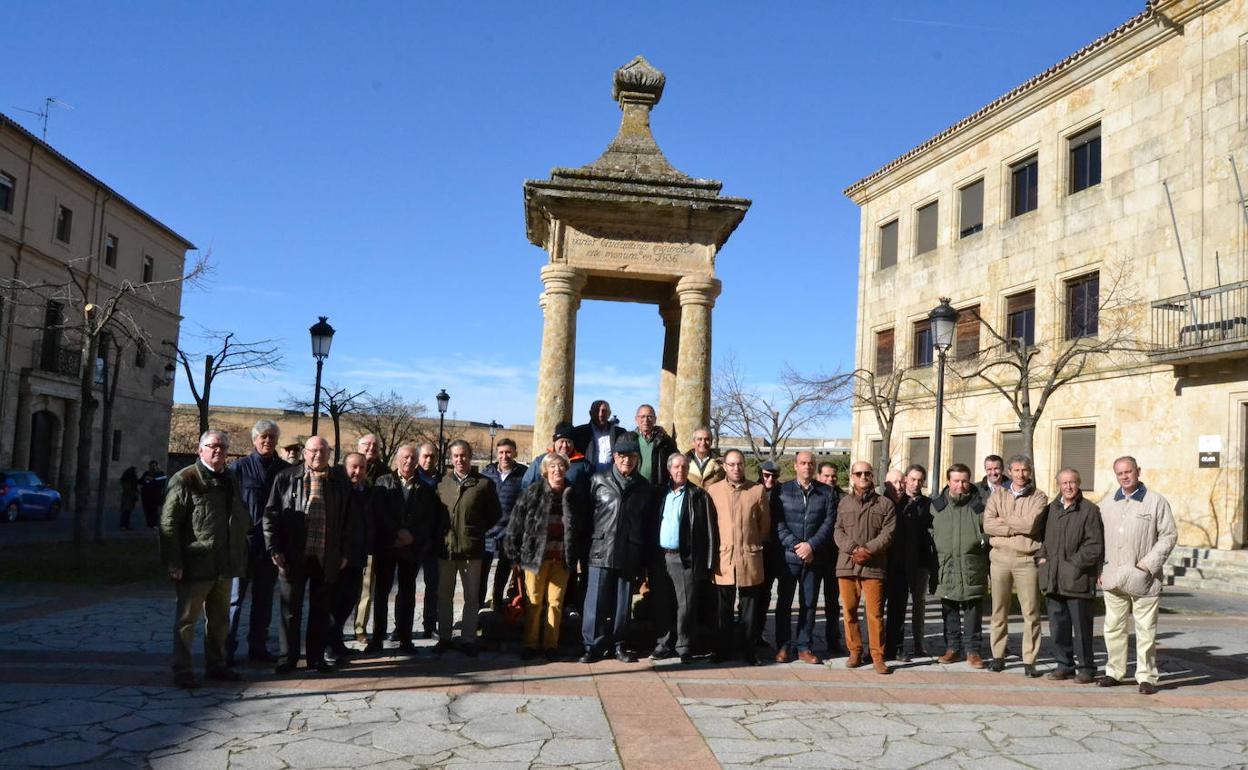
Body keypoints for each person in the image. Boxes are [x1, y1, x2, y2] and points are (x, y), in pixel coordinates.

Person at [159, 430, 249, 688]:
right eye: (212, 446)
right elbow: (169, 523)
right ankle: (183, 671)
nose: (218, 450)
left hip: (224, 564)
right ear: (201, 450)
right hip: (195, 563)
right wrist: (173, 562)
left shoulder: (231, 478)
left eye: (222, 446)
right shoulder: (185, 478)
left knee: (220, 621)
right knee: (186, 621)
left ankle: (217, 665)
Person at [265, 436, 349, 675]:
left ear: (329, 454)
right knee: (290, 609)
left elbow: (349, 519)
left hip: (326, 554)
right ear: (305, 453)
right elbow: (271, 515)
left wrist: (344, 551)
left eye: (323, 451)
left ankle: (316, 658)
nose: (317, 456)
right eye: (313, 451)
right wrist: (275, 548)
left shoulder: (339, 480)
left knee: (321, 610)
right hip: (294, 554)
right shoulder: (286, 478)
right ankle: (287, 658)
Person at [1098, 456, 1177, 695]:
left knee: (1145, 631)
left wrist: (1148, 565)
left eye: (1128, 471)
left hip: (1144, 579)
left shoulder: (1155, 502)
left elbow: (1169, 536)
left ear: (1138, 471)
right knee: (1113, 628)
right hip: (1113, 578)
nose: (1125, 476)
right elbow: (1097, 538)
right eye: (1120, 473)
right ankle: (1114, 671)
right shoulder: (1107, 502)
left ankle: (1146, 676)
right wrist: (1100, 569)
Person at [581, 433, 652, 663]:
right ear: (615, 457)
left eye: (632, 457)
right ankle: (592, 646)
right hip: (601, 549)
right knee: (595, 602)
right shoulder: (598, 479)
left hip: (629, 550)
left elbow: (646, 522)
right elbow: (586, 516)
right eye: (622, 456)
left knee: (622, 605)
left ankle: (619, 645)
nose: (627, 461)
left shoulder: (643, 486)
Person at [226, 420, 291, 666]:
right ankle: (227, 647)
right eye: (263, 437)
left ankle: (258, 645)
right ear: (254, 440)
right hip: (244, 544)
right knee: (234, 599)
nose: (267, 441)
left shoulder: (285, 470)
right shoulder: (239, 468)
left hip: (271, 546)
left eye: (272, 437)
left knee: (263, 600)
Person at [506, 452, 580, 661]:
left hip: (561, 558)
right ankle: (530, 644)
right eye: (553, 467)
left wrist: (576, 555)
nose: (558, 470)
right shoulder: (533, 491)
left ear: (566, 469)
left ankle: (551, 645)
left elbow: (580, 527)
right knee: (534, 602)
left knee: (556, 603)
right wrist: (514, 555)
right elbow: (516, 524)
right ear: (546, 470)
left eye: (561, 466)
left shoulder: (572, 494)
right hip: (534, 558)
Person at [433, 440, 501, 656]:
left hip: (472, 549)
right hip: (446, 549)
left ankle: (468, 638)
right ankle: (444, 637)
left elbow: (494, 514)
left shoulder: (483, 484)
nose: (459, 460)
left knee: (472, 597)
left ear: (470, 457)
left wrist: (475, 531)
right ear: (450, 459)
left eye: (463, 456)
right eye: (455, 456)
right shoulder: (442, 484)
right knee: (444, 595)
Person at [983, 454, 1048, 677]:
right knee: (998, 610)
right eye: (1017, 470)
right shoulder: (998, 494)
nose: (1021, 475)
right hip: (999, 558)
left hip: (1025, 559)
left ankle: (1030, 660)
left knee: (1031, 611)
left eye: (1025, 470)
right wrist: (1013, 526)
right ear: (1009, 472)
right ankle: (998, 656)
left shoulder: (1039, 497)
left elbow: (1030, 525)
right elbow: (988, 524)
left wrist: (1004, 521)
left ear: (1030, 472)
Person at [772, 452, 838, 665]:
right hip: (789, 557)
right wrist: (796, 545)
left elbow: (829, 523)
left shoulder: (826, 492)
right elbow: (778, 524)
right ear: (795, 466)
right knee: (784, 603)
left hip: (813, 557)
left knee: (809, 603)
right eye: (803, 463)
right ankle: (783, 645)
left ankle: (804, 646)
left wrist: (811, 545)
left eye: (811, 463)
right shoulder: (781, 491)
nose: (807, 467)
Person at [1039, 468, 1103, 685]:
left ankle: (1086, 668)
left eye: (1072, 482)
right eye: (1064, 483)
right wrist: (1042, 560)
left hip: (1077, 579)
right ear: (1058, 485)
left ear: (1079, 483)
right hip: (1053, 579)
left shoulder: (1090, 510)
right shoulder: (1051, 510)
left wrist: (1074, 565)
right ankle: (1064, 665)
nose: (1068, 487)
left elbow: (1094, 545)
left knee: (1082, 629)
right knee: (1058, 627)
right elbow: (1041, 539)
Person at [647, 453, 713, 664]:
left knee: (686, 604)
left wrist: (706, 561)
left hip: (685, 557)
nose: (680, 471)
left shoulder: (698, 495)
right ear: (669, 469)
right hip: (660, 557)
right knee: (662, 602)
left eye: (684, 467)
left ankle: (684, 645)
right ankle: (663, 643)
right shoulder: (659, 493)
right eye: (676, 467)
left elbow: (709, 531)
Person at [524, 422, 595, 618]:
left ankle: (569, 603)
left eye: (569, 442)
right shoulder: (540, 461)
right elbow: (526, 487)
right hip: (543, 527)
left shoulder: (584, 465)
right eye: (561, 441)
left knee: (568, 566)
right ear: (555, 442)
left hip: (573, 526)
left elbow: (592, 494)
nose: (565, 446)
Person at [706, 449, 770, 665]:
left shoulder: (757, 490)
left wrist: (750, 542)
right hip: (723, 559)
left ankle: (749, 650)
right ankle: (721, 650)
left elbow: (764, 526)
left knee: (750, 609)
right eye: (731, 464)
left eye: (740, 464)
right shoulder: (713, 491)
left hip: (749, 557)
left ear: (745, 465)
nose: (736, 468)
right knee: (722, 609)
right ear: (724, 466)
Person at [370, 445, 435, 655]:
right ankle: (377, 637)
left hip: (411, 549)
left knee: (407, 594)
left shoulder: (425, 488)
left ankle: (405, 637)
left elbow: (427, 519)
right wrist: (396, 534)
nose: (409, 461)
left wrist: (412, 536)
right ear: (397, 459)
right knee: (381, 593)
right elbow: (379, 513)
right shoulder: (383, 483)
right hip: (387, 546)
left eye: (413, 458)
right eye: (405, 457)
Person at [834, 460, 895, 675]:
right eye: (858, 473)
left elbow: (888, 534)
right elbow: (838, 531)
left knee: (875, 613)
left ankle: (878, 656)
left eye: (867, 473)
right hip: (847, 566)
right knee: (849, 611)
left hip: (874, 566)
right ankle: (855, 652)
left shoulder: (885, 504)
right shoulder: (844, 503)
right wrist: (853, 549)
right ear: (852, 476)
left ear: (873, 476)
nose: (862, 477)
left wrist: (867, 550)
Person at [931, 463, 988, 668]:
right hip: (946, 566)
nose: (960, 485)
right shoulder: (937, 505)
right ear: (949, 482)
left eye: (964, 480)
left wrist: (981, 540)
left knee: (973, 610)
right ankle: (952, 648)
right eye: (956, 481)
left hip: (973, 566)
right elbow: (930, 531)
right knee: (950, 609)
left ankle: (973, 651)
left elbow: (988, 529)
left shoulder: (979, 504)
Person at [884, 464, 938, 662]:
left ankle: (911, 644)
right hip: (887, 562)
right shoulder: (887, 501)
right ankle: (875, 646)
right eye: (912, 479)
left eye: (920, 480)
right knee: (879, 607)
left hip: (917, 561)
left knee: (911, 605)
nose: (915, 483)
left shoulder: (926, 504)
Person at [329, 452, 376, 661]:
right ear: (345, 467)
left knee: (348, 601)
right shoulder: (337, 489)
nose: (358, 472)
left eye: (362, 468)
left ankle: (337, 642)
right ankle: (328, 645)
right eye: (354, 467)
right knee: (333, 603)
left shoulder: (367, 492)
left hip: (358, 556)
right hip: (339, 557)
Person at [480, 438, 528, 611]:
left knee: (503, 572)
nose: (504, 456)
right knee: (481, 573)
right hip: (488, 532)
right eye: (501, 452)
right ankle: (477, 608)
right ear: (496, 454)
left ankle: (497, 603)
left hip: (511, 532)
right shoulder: (487, 473)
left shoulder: (524, 474)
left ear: (515, 453)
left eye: (508, 452)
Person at [352, 433, 386, 643]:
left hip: (372, 540)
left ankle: (359, 628)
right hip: (348, 541)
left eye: (375, 445)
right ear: (358, 446)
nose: (371, 447)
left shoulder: (384, 473)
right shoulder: (346, 468)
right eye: (367, 444)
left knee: (366, 589)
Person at [815, 461, 846, 657]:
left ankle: (833, 641)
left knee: (833, 602)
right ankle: (804, 641)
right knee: (808, 601)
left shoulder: (843, 498)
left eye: (833, 476)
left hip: (836, 557)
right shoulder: (814, 495)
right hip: (815, 554)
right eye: (826, 476)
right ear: (818, 476)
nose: (830, 479)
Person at [415, 441, 442, 637]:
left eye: (432, 456)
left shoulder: (444, 481)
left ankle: (430, 625)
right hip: (413, 541)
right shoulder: (411, 477)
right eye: (425, 455)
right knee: (406, 587)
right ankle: (401, 627)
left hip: (435, 541)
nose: (428, 459)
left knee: (433, 586)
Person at [572, 399, 624, 474]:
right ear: (590, 413)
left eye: (604, 411)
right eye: (596, 411)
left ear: (609, 414)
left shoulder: (620, 433)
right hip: (586, 479)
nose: (600, 414)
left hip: (612, 481)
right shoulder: (579, 433)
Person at [634, 404, 677, 487]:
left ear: (655, 419)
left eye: (649, 416)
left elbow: (675, 459)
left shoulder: (664, 440)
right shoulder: (630, 439)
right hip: (635, 488)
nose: (646, 420)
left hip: (658, 488)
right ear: (636, 419)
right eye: (642, 417)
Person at [140, 460, 167, 529]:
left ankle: (154, 524)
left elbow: (162, 482)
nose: (152, 467)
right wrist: (145, 479)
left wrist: (153, 480)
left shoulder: (160, 473)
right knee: (147, 511)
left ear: (156, 466)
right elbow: (141, 481)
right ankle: (149, 524)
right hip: (146, 496)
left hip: (156, 495)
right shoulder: (146, 473)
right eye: (151, 466)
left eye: (153, 466)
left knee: (155, 511)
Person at [119, 466, 139, 531]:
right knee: (126, 511)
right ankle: (123, 526)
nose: (136, 472)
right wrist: (133, 494)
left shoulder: (133, 479)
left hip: (130, 497)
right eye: (135, 471)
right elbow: (127, 488)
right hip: (128, 497)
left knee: (128, 512)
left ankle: (126, 525)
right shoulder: (127, 479)